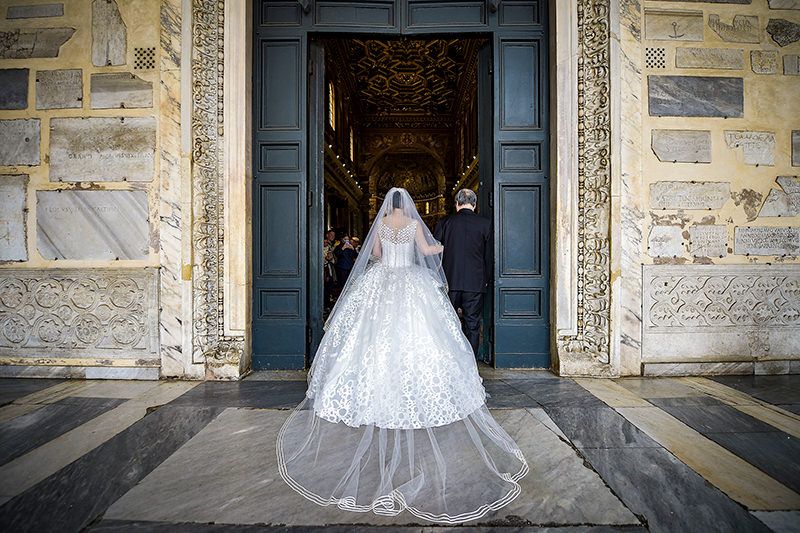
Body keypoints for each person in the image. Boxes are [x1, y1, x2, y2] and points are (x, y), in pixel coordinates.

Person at [277, 187, 527, 524]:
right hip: (411, 281)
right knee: (422, 336)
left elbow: (377, 255)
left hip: (383, 281)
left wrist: (389, 256)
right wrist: (443, 247)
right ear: (407, 206)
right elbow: (427, 250)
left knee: (372, 337)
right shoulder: (412, 224)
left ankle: (375, 387)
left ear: (385, 208)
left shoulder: (381, 226)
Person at [434, 188, 492, 356]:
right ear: (474, 204)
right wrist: (485, 278)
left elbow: (436, 252)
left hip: (449, 280)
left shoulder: (445, 222)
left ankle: (451, 359)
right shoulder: (485, 224)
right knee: (472, 325)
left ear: (457, 203)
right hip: (475, 282)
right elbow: (488, 256)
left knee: (448, 323)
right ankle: (471, 363)